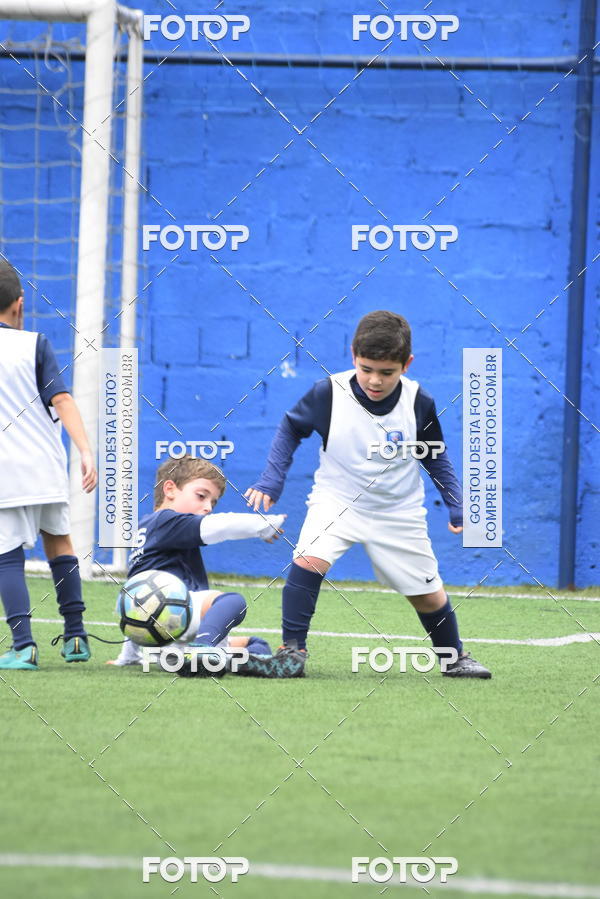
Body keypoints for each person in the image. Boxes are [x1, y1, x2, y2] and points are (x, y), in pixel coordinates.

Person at [245, 310, 491, 679]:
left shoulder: (418, 401)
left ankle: (452, 657)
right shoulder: (328, 392)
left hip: (398, 509)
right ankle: (291, 653)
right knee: (309, 559)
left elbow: (435, 455)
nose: (375, 380)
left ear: (406, 364)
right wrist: (271, 480)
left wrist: (457, 504)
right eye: (366, 368)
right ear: (352, 356)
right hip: (337, 499)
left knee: (426, 593)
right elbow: (290, 429)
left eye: (386, 372)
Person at [109, 455, 304, 678]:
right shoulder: (167, 520)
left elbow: (135, 600)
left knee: (256, 645)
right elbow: (221, 526)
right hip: (179, 615)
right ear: (170, 489)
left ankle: (209, 659)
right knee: (232, 601)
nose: (208, 507)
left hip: (160, 641)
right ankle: (203, 650)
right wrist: (264, 525)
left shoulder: (143, 529)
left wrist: (128, 656)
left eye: (212, 502)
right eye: (201, 496)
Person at [0, 259, 98, 670]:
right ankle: (76, 637)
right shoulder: (35, 344)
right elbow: (63, 400)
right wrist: (86, 452)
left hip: (5, 476)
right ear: (19, 304)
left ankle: (23, 645)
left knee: (6, 555)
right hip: (46, 468)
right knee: (60, 543)